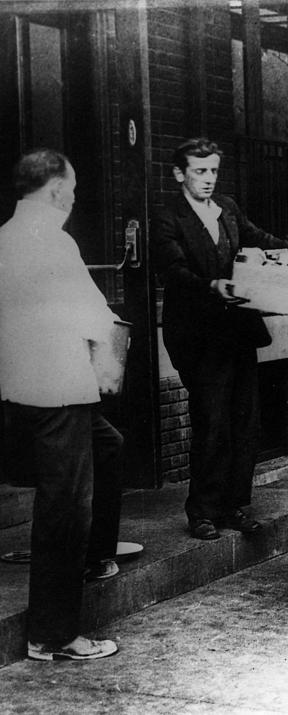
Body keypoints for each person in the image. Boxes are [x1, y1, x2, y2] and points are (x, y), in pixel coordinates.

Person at [152, 138, 288, 540]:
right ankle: (203, 512)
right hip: (198, 337)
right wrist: (213, 286)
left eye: (213, 171)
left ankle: (233, 506)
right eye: (199, 171)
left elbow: (254, 235)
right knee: (212, 421)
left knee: (245, 420)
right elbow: (172, 271)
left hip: (238, 333)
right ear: (180, 174)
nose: (208, 179)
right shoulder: (168, 218)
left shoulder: (226, 208)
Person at [0, 148, 119, 661]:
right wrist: (109, 364)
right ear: (54, 190)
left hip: (22, 389)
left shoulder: (5, 238)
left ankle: (97, 557)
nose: (73, 199)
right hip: (60, 391)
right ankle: (53, 634)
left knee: (111, 446)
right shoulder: (55, 242)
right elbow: (95, 319)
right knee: (65, 511)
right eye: (70, 190)